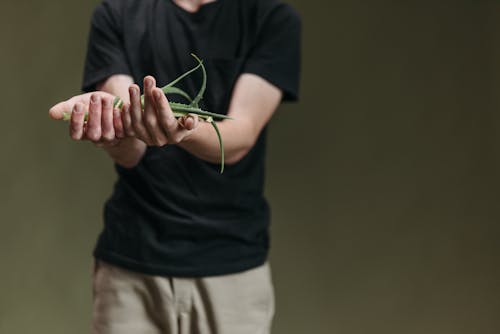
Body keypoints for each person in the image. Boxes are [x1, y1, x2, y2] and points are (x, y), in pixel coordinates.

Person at [49, 0, 300, 333]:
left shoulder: (271, 17)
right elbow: (131, 151)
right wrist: (114, 130)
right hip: (131, 265)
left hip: (232, 266)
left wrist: (183, 129)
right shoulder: (116, 13)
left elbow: (240, 136)